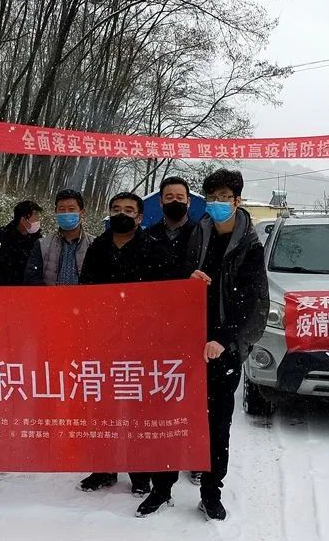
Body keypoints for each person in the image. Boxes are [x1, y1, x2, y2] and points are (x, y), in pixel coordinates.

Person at [137, 169, 269, 521]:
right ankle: (162, 488)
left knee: (216, 423)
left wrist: (224, 340)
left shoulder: (250, 247)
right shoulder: (197, 234)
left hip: (223, 349)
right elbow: (171, 280)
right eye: (212, 198)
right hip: (184, 343)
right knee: (171, 414)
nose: (218, 204)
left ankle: (211, 491)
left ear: (237, 200)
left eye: (224, 197)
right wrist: (186, 278)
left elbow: (253, 304)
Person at [77, 192, 157, 496]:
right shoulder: (98, 246)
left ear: (139, 217)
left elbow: (162, 294)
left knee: (136, 407)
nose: (121, 214)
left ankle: (139, 472)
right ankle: (104, 467)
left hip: (139, 339)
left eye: (128, 210)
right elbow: (85, 289)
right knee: (103, 406)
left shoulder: (152, 247)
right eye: (116, 209)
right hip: (102, 337)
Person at [144, 176, 203, 486]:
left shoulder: (203, 233)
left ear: (189, 201)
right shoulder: (149, 236)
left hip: (193, 325)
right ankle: (162, 454)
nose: (175, 201)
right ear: (161, 201)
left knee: (193, 394)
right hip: (156, 326)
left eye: (181, 196)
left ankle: (194, 457)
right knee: (162, 393)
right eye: (169, 197)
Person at [24, 189, 93, 285]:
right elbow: (32, 278)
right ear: (55, 211)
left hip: (83, 299)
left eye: (71, 209)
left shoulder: (95, 245)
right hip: (49, 299)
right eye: (62, 209)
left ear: (82, 212)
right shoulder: (42, 245)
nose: (66, 213)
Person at [0, 200, 42, 284]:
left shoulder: (38, 240)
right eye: (35, 219)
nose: (37, 222)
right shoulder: (2, 237)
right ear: (23, 220)